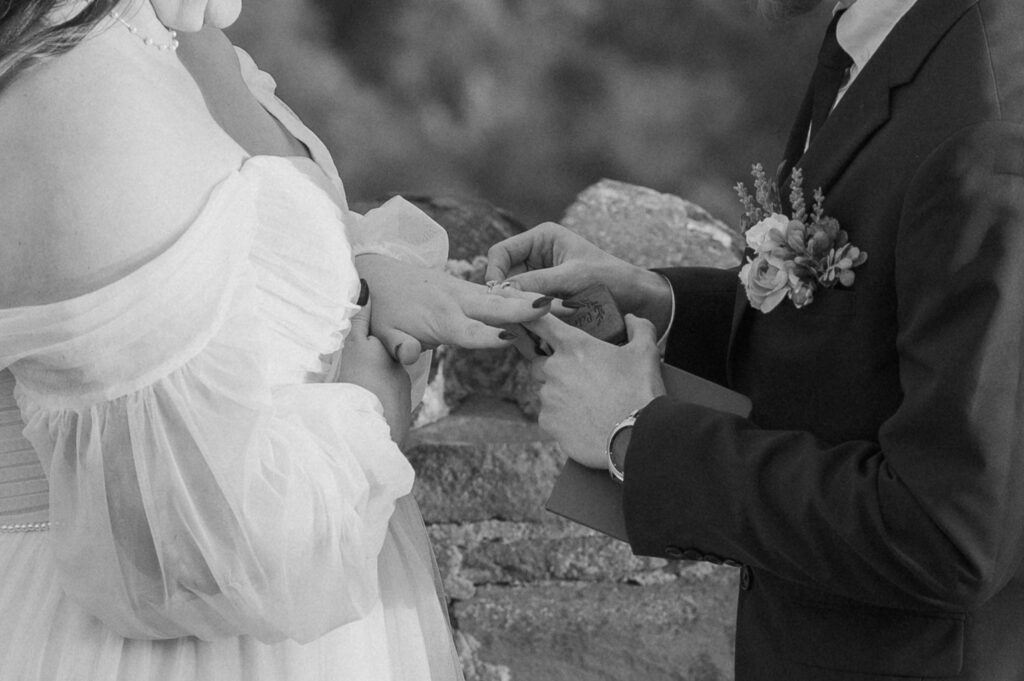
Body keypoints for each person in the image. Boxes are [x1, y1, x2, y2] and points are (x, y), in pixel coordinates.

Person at [0, 1, 552, 679]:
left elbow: (229, 239)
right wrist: (373, 413)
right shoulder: (81, 96)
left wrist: (364, 280)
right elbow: (183, 562)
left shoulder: (160, 30)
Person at [486, 0, 1024, 678]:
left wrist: (637, 436)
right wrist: (664, 304)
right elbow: (872, 332)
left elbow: (949, 535)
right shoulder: (879, 34)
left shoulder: (990, 120)